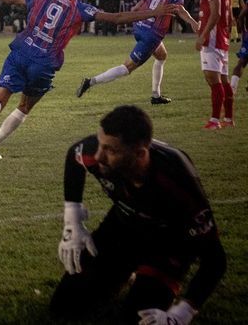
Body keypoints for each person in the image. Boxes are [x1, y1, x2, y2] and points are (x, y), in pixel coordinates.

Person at [0, 0, 178, 160]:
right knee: (24, 106)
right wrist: (154, 12)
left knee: (1, 95)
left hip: (22, 50)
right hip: (44, 62)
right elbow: (117, 17)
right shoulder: (81, 7)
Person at [50, 105, 226, 323]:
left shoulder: (176, 182)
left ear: (140, 154)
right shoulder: (99, 152)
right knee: (64, 304)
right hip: (124, 224)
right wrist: (73, 220)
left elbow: (216, 260)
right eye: (100, 144)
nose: (98, 156)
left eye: (110, 150)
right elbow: (74, 155)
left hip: (167, 244)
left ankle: (149, 278)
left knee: (137, 318)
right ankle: (123, 271)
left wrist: (183, 313)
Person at [76, 0, 186, 104]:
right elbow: (182, 12)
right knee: (126, 68)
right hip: (150, 34)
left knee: (162, 55)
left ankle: (156, 95)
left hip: (140, 27)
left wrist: (135, 9)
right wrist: (194, 24)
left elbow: (142, 2)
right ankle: (90, 82)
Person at [191, 0, 232, 130]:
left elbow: (216, 15)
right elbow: (226, 18)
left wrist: (203, 36)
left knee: (213, 80)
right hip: (221, 39)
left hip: (213, 41)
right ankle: (228, 118)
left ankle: (215, 121)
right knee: (223, 80)